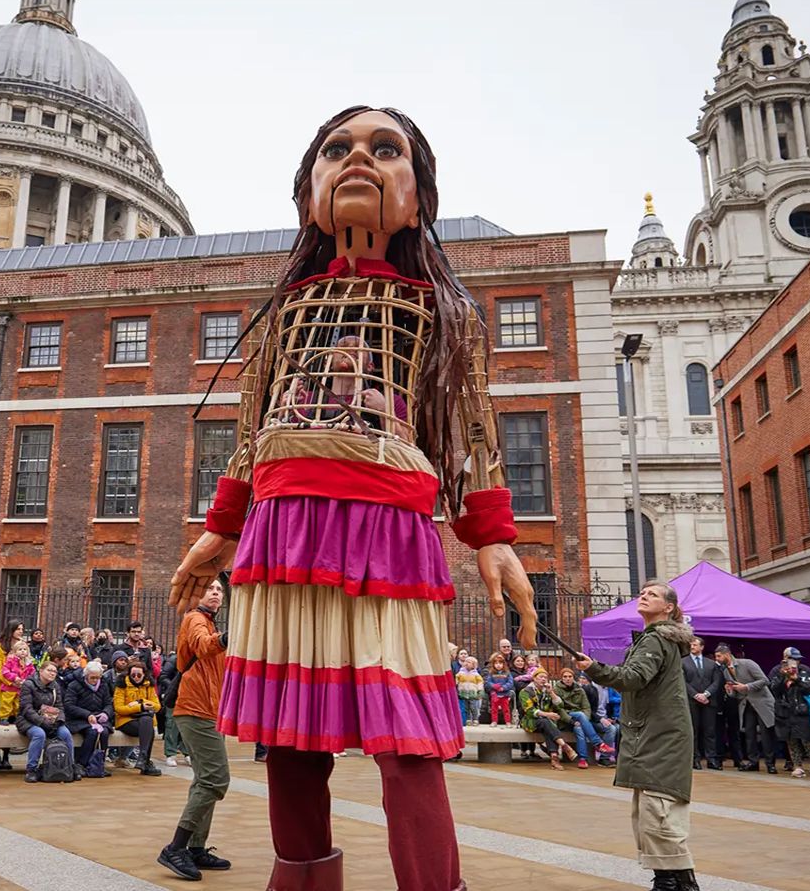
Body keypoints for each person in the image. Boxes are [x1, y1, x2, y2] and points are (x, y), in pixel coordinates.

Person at [171, 106, 542, 891]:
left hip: (389, 527)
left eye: (386, 149)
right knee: (290, 733)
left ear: (417, 196)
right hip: (282, 526)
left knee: (405, 735)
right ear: (310, 193)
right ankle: (303, 878)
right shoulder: (284, 313)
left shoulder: (445, 312)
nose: (359, 160)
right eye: (337, 149)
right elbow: (250, 428)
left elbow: (472, 429)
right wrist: (221, 528)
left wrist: (492, 534)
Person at [571, 581, 697, 891]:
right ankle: (675, 881)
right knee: (652, 813)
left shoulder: (656, 639)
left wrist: (595, 669)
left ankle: (673, 883)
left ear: (668, 608)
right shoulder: (653, 639)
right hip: (655, 733)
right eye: (642, 592)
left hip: (660, 736)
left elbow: (632, 677)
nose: (644, 596)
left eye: (652, 594)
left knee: (659, 813)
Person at [156, 576, 234, 881]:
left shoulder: (211, 624)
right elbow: (203, 647)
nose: (215, 593)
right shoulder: (195, 619)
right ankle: (175, 848)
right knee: (216, 780)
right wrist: (227, 638)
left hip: (209, 711)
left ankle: (196, 848)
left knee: (204, 780)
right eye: (209, 589)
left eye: (218, 590)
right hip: (195, 710)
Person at [716, 644, 774, 772]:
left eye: (719, 656)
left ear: (727, 654)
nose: (717, 659)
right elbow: (735, 693)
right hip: (746, 704)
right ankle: (753, 762)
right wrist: (730, 691)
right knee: (749, 734)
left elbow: (764, 680)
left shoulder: (747, 663)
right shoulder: (726, 671)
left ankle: (770, 764)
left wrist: (747, 687)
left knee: (766, 734)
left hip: (762, 702)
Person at [16, 660, 72, 782]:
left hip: (51, 719)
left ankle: (69, 766)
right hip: (28, 719)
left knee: (65, 733)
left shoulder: (55, 686)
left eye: (55, 672)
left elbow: (60, 706)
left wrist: (59, 720)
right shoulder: (28, 684)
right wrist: (41, 721)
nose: (52, 674)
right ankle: (31, 769)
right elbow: (26, 708)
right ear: (41, 671)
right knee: (39, 734)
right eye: (49, 670)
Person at [519, 669, 580, 770]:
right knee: (546, 722)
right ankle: (564, 746)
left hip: (546, 722)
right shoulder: (525, 691)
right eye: (540, 677)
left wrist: (551, 692)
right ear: (534, 679)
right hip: (530, 721)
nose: (543, 679)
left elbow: (560, 705)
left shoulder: (547, 691)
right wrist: (547, 714)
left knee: (548, 727)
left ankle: (554, 759)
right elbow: (530, 711)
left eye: (545, 677)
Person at [770, 656, 810, 778]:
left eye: (795, 662)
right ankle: (797, 766)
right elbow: (774, 690)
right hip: (786, 712)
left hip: (801, 711)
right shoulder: (778, 672)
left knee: (807, 739)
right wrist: (782, 676)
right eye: (789, 663)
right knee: (791, 740)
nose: (791, 667)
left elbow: (809, 689)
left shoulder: (804, 672)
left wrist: (797, 679)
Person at [113, 657, 163, 775]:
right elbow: (119, 708)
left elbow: (157, 706)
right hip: (126, 721)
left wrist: (140, 702)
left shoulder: (149, 685)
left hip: (144, 720)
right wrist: (139, 708)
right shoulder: (122, 685)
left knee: (147, 721)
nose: (136, 677)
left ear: (144, 675)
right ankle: (145, 761)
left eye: (138, 675)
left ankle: (142, 758)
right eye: (133, 675)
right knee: (148, 726)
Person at [67, 661, 116, 779]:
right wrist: (87, 715)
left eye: (97, 677)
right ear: (86, 676)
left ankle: (99, 763)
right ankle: (82, 763)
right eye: (92, 678)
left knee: (104, 732)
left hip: (99, 718)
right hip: (80, 719)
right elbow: (69, 705)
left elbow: (109, 703)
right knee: (92, 732)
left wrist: (106, 713)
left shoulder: (103, 686)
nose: (95, 680)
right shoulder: (74, 685)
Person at [0, 620, 27, 772]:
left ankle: (6, 756)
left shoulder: (22, 646)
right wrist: (12, 681)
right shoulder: (0, 648)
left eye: (22, 629)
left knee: (12, 720)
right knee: (0, 721)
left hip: (18, 689)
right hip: (1, 687)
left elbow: (27, 663)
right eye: (18, 629)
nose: (20, 631)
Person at [681, 637, 722, 770]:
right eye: (691, 645)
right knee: (693, 730)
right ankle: (694, 758)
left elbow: (716, 682)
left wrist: (706, 694)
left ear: (702, 647)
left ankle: (711, 759)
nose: (692, 647)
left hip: (708, 700)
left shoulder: (711, 663)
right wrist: (695, 695)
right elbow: (683, 681)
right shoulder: (683, 662)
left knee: (710, 731)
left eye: (695, 645)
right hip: (692, 700)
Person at [453, 651, 484, 727]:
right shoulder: (460, 673)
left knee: (473, 707)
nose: (466, 663)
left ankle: (475, 719)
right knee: (466, 707)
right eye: (466, 662)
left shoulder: (476, 674)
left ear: (474, 665)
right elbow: (456, 680)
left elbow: (480, 683)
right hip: (463, 692)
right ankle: (468, 719)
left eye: (469, 662)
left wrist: (480, 691)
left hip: (473, 693)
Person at [485, 653, 516, 727]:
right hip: (495, 694)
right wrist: (493, 686)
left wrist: (504, 687)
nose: (498, 665)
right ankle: (494, 721)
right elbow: (488, 682)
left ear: (503, 664)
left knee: (506, 709)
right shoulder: (491, 673)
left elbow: (510, 682)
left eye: (500, 663)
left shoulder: (507, 673)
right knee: (494, 709)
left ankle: (508, 722)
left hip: (505, 694)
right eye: (496, 663)